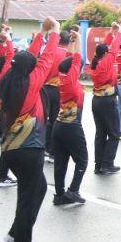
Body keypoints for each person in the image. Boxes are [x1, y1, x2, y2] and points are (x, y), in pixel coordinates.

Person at [0, 17, 63, 242]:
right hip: (29, 147)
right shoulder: (31, 83)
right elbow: (45, 60)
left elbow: (28, 58)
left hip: (11, 148)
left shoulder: (9, 78)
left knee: (36, 189)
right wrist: (53, 32)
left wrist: (40, 36)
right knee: (30, 195)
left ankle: (15, 235)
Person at [50, 31, 87, 207]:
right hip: (72, 126)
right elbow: (78, 58)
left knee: (61, 162)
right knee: (82, 160)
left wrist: (71, 42)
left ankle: (59, 195)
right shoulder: (72, 82)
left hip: (59, 126)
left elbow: (70, 58)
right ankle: (73, 190)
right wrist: (79, 39)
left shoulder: (62, 77)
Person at [92, 22, 121, 174]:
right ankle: (107, 164)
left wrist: (111, 33)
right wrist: (119, 32)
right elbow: (113, 48)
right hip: (107, 101)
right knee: (113, 133)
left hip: (97, 101)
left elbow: (106, 48)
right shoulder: (106, 62)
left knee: (100, 134)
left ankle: (98, 164)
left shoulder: (97, 63)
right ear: (105, 54)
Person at [0, 26, 19, 186]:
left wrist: (4, 41)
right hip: (6, 114)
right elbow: (9, 57)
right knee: (8, 142)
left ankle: (0, 171)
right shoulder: (4, 75)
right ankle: (2, 175)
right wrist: (8, 40)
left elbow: (3, 57)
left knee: (5, 141)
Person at [37, 30, 71, 161]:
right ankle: (52, 150)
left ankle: (43, 147)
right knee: (55, 120)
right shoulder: (67, 54)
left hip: (44, 87)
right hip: (58, 89)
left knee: (44, 119)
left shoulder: (49, 52)